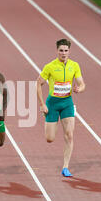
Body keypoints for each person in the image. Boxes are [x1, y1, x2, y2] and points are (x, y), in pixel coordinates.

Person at [36, 39, 85, 177]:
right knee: (50, 139)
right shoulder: (50, 66)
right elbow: (38, 83)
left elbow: (82, 84)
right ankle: (50, 120)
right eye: (61, 50)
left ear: (69, 51)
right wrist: (42, 104)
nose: (63, 53)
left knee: (69, 135)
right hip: (52, 104)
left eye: (66, 50)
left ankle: (65, 167)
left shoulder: (74, 65)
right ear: (57, 51)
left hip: (67, 103)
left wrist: (79, 89)